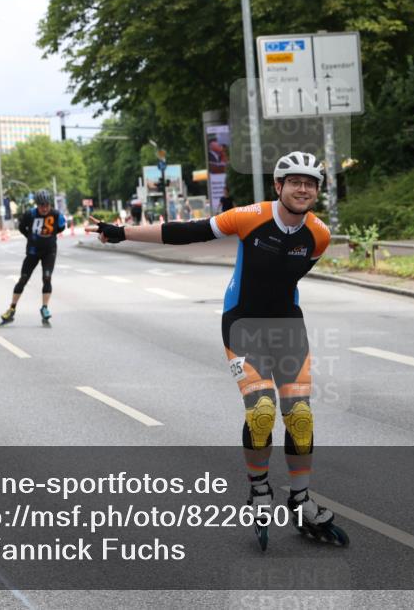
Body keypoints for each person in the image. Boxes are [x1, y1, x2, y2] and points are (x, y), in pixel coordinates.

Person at [91, 151, 347, 549]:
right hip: (242, 323)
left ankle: (301, 499)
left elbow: (292, 276)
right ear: (278, 186)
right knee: (262, 413)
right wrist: (123, 232)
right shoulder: (250, 216)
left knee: (300, 416)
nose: (302, 188)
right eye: (294, 181)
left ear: (317, 190)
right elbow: (187, 231)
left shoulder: (319, 234)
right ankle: (259, 489)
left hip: (287, 327)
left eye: (310, 183)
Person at [0, 189, 66, 326]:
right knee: (23, 279)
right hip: (33, 251)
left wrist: (49, 237)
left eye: (47, 205)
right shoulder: (30, 214)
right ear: (37, 205)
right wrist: (31, 237)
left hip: (49, 252)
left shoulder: (56, 214)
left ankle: (45, 308)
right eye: (42, 205)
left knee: (47, 278)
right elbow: (22, 228)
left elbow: (61, 228)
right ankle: (12, 308)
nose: (45, 208)